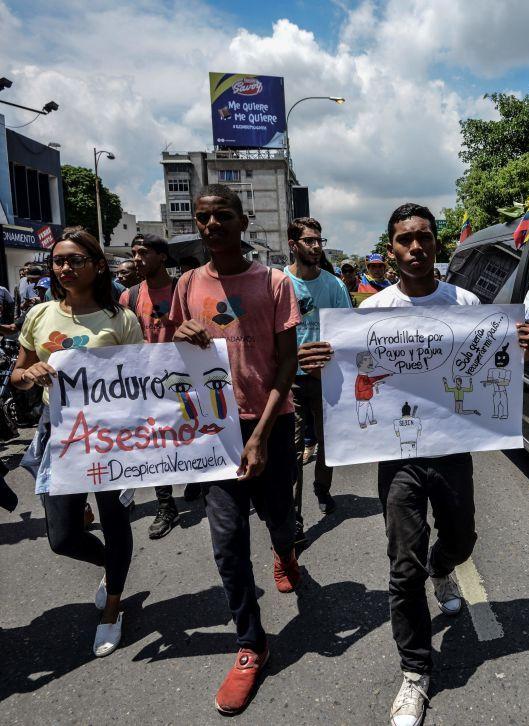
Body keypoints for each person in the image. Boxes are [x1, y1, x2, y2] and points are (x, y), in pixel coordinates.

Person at [297, 203, 529, 726]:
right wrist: (319, 365)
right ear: (391, 250)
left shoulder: (468, 303)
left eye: (424, 238)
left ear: (437, 244)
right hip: (398, 458)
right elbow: (350, 376)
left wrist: (525, 348)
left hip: (451, 451)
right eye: (404, 239)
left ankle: (445, 567)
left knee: (460, 538)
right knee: (401, 567)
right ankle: (414, 672)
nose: (415, 247)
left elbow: (497, 365)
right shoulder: (371, 311)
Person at [169, 184, 301, 715]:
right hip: (214, 431)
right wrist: (180, 334)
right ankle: (251, 642)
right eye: (202, 218)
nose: (210, 226)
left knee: (279, 519)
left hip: (269, 423)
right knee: (226, 543)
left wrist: (261, 436)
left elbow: (286, 367)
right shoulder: (185, 283)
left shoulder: (274, 282)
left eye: (222, 215)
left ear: (243, 222)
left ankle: (286, 552)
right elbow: (173, 362)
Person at [11, 227, 144, 657]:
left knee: (114, 519)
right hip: (61, 435)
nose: (65, 268)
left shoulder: (120, 320)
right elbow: (17, 372)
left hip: (110, 436)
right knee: (63, 536)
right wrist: (28, 376)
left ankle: (112, 608)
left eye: (75, 260)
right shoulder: (40, 315)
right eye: (58, 261)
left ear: (98, 265)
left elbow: (143, 378)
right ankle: (112, 565)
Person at [118, 233, 197, 539]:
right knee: (153, 444)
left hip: (183, 379)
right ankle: (166, 506)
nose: (137, 259)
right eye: (134, 253)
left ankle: (197, 476)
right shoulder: (130, 296)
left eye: (143, 253)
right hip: (146, 384)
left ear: (162, 257)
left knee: (190, 436)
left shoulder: (183, 289)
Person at [284, 216, 352, 545]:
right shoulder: (277, 283)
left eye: (318, 240)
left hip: (328, 381)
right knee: (294, 451)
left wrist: (325, 359)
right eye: (308, 240)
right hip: (290, 382)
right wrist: (297, 358)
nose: (315, 246)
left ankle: (322, 488)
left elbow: (348, 333)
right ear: (292, 245)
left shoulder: (335, 286)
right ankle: (294, 519)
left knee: (328, 446)